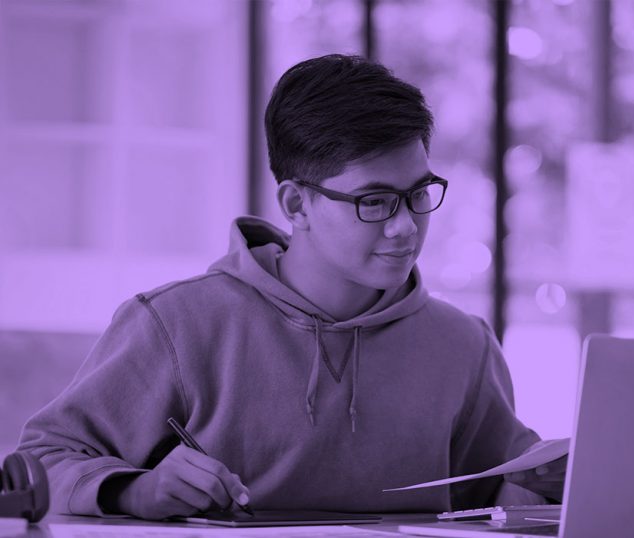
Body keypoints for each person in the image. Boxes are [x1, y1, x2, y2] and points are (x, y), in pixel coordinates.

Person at [18, 54, 564, 520]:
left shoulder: (462, 344)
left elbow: (500, 492)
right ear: (297, 204)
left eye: (419, 193)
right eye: (374, 202)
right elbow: (40, 459)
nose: (405, 227)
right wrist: (135, 490)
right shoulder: (176, 324)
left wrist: (551, 484)